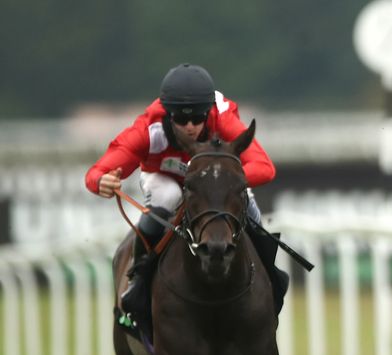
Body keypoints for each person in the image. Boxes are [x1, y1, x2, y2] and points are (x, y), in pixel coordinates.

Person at [85, 63, 284, 317]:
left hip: (211, 180)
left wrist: (220, 181)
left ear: (208, 112)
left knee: (252, 214)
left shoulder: (223, 118)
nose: (190, 126)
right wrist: (100, 182)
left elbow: (265, 167)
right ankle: (138, 284)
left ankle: (270, 281)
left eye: (198, 118)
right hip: (165, 177)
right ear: (168, 114)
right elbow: (95, 173)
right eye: (181, 119)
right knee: (169, 196)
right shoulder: (147, 129)